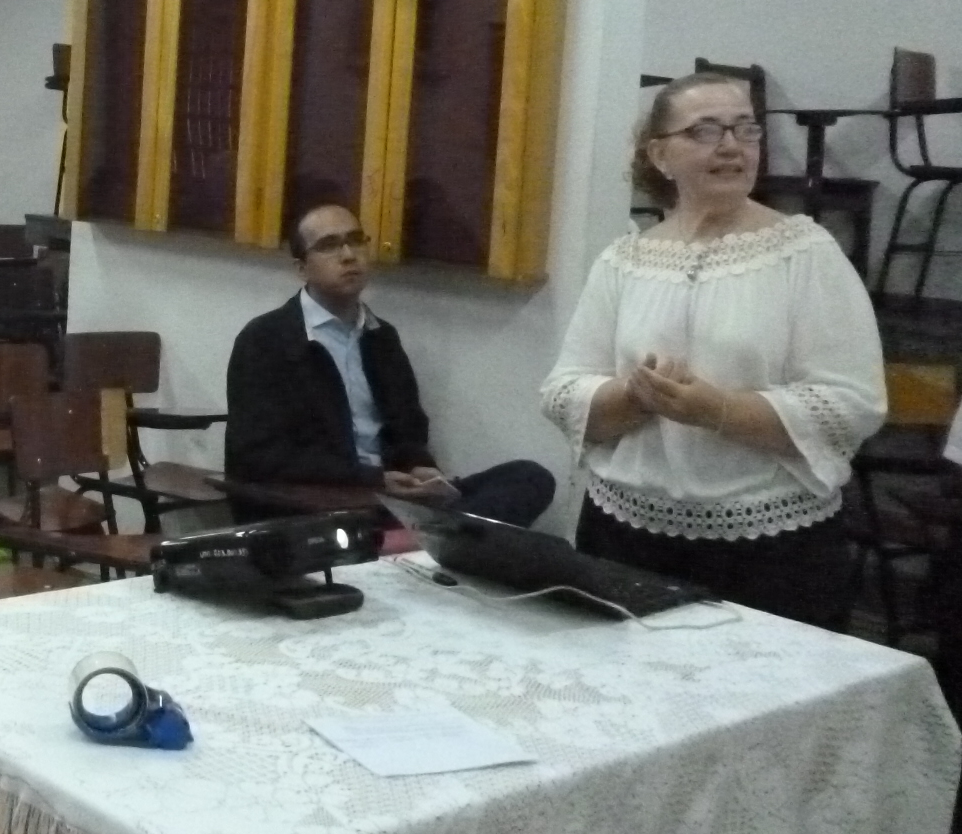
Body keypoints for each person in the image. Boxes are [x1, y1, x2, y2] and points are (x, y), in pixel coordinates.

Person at [540, 71, 885, 628]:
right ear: (660, 154)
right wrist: (635, 397)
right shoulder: (624, 260)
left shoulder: (804, 254)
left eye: (746, 129)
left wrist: (717, 410)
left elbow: (851, 404)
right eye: (705, 130)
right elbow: (563, 391)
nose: (731, 146)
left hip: (769, 549)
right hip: (625, 537)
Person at [226, 202, 556, 527]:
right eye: (329, 246)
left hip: (391, 495)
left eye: (356, 240)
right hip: (325, 500)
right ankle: (437, 538)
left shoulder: (381, 337)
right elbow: (257, 457)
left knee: (529, 477)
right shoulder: (266, 340)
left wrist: (419, 468)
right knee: (475, 527)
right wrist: (371, 479)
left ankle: (433, 536)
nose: (348, 255)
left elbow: (409, 429)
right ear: (302, 268)